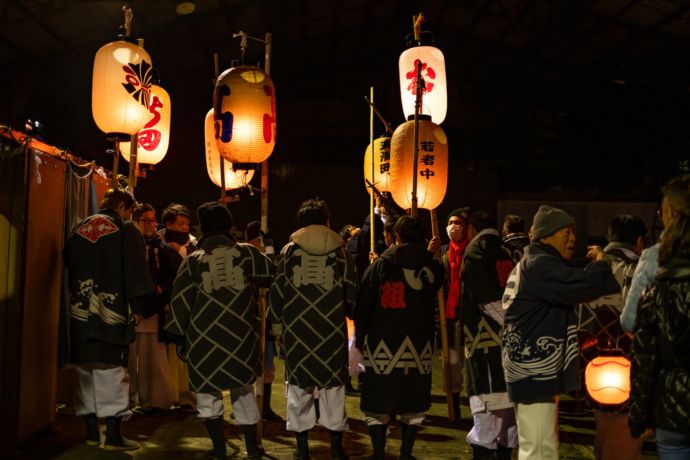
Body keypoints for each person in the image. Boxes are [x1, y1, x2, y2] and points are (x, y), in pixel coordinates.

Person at [501, 205, 620, 459]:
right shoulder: (540, 264)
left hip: (529, 365)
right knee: (539, 447)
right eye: (564, 232)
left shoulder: (532, 263)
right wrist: (601, 265)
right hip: (533, 367)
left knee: (539, 442)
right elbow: (582, 285)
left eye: (573, 233)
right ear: (545, 235)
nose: (572, 238)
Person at [164, 202, 274, 460]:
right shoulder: (247, 254)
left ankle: (219, 448)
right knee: (243, 391)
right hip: (241, 337)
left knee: (206, 393)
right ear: (228, 226)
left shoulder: (193, 261)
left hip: (203, 340)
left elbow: (180, 302)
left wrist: (178, 337)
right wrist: (266, 248)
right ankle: (253, 447)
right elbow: (272, 273)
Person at [64, 188, 154, 450]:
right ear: (124, 207)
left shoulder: (78, 228)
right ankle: (113, 435)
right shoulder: (126, 231)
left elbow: (68, 263)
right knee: (112, 373)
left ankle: (91, 433)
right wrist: (137, 308)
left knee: (85, 372)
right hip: (111, 314)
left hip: (80, 313)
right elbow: (136, 271)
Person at [269, 198, 358, 460]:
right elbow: (351, 291)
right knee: (334, 387)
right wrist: (352, 314)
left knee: (298, 388)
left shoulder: (289, 253)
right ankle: (336, 447)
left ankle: (302, 448)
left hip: (297, 332)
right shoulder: (341, 253)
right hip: (331, 331)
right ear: (327, 222)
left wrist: (277, 326)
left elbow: (277, 292)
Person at [356, 215, 444, 460]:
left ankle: (379, 451)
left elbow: (364, 301)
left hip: (382, 341)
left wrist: (361, 336)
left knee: (378, 397)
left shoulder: (382, 265)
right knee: (413, 398)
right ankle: (406, 452)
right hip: (418, 342)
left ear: (396, 236)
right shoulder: (432, 267)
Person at [577, 214, 647, 459]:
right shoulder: (640, 270)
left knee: (604, 431)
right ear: (639, 242)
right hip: (629, 364)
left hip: (592, 362)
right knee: (624, 438)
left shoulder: (592, 267)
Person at [630, 175, 690, 458]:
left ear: (671, 214)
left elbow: (645, 356)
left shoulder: (656, 275)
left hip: (673, 406)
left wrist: (639, 416)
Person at [460, 210, 517, 459]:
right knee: (508, 420)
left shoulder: (475, 252)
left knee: (486, 409)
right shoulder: (507, 251)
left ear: (471, 228)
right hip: (510, 342)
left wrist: (508, 322)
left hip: (486, 339)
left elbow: (485, 298)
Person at [128, 203, 182, 417]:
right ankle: (129, 398)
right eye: (146, 220)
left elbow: (176, 272)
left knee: (154, 358)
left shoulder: (162, 247)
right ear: (136, 221)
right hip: (132, 308)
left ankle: (156, 399)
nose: (151, 224)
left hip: (154, 309)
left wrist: (162, 287)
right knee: (130, 359)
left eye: (153, 220)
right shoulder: (130, 244)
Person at [158, 202, 197, 412]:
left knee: (184, 353)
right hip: (164, 304)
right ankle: (168, 394)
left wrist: (180, 253)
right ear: (168, 223)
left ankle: (186, 397)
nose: (185, 228)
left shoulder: (193, 245)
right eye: (181, 223)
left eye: (186, 224)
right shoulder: (157, 242)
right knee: (166, 354)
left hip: (187, 305)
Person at [244, 220, 283, 423]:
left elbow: (273, 272)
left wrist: (268, 248)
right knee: (249, 366)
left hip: (265, 319)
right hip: (249, 319)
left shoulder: (265, 257)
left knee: (267, 367)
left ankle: (264, 406)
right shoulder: (245, 257)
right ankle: (248, 406)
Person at [442, 207, 471, 419]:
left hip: (468, 314)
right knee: (451, 361)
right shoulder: (443, 251)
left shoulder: (471, 251)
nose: (453, 226)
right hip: (449, 316)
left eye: (458, 223)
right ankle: (454, 405)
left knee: (469, 360)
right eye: (451, 222)